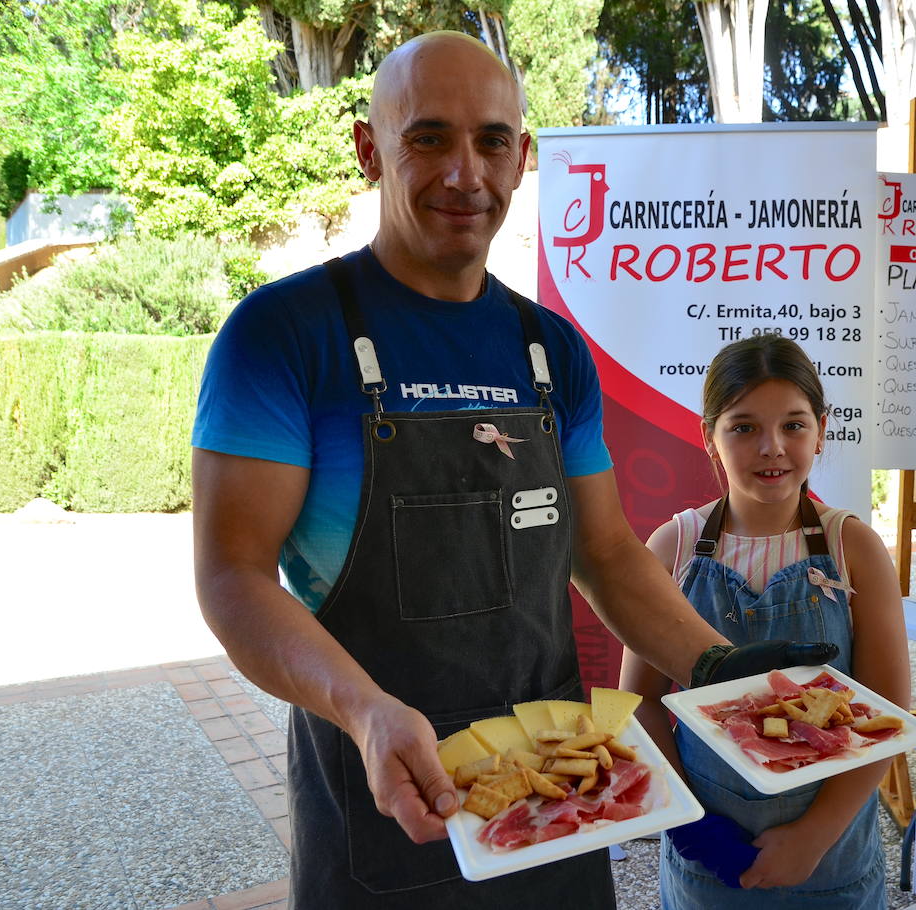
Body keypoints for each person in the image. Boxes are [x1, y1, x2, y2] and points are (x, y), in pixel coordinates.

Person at [191, 31, 832, 909]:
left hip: (563, 788)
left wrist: (717, 667)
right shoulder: (281, 336)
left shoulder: (550, 351)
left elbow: (604, 552)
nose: (466, 173)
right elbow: (232, 576)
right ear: (367, 146)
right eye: (428, 137)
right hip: (383, 796)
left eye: (492, 140)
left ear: (523, 157)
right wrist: (364, 710)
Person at [621, 334, 912, 909]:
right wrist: (690, 825)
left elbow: (888, 714)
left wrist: (813, 835)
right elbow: (640, 703)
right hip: (709, 861)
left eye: (795, 425)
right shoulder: (672, 548)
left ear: (822, 430)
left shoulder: (853, 547)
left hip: (830, 861)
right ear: (709, 437)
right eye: (744, 427)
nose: (772, 447)